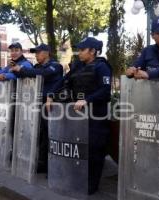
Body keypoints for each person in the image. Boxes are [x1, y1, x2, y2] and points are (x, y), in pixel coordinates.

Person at [47, 37, 112, 194]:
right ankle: (76, 178)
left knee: (95, 149)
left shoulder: (102, 67)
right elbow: (64, 80)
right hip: (78, 115)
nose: (79, 52)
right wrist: (50, 95)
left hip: (96, 113)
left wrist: (87, 100)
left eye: (83, 50)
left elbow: (105, 89)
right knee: (78, 147)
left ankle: (92, 184)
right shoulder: (78, 67)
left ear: (92, 51)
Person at [10, 43, 63, 173]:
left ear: (47, 53)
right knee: (38, 132)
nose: (36, 55)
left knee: (48, 134)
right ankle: (40, 160)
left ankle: (48, 164)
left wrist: (21, 69)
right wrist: (16, 71)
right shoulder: (37, 66)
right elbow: (29, 75)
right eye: (35, 53)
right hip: (36, 103)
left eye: (38, 52)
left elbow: (42, 74)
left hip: (50, 104)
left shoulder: (55, 66)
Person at [126, 15, 159, 80]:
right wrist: (131, 71)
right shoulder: (148, 51)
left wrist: (149, 74)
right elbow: (136, 67)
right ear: (152, 35)